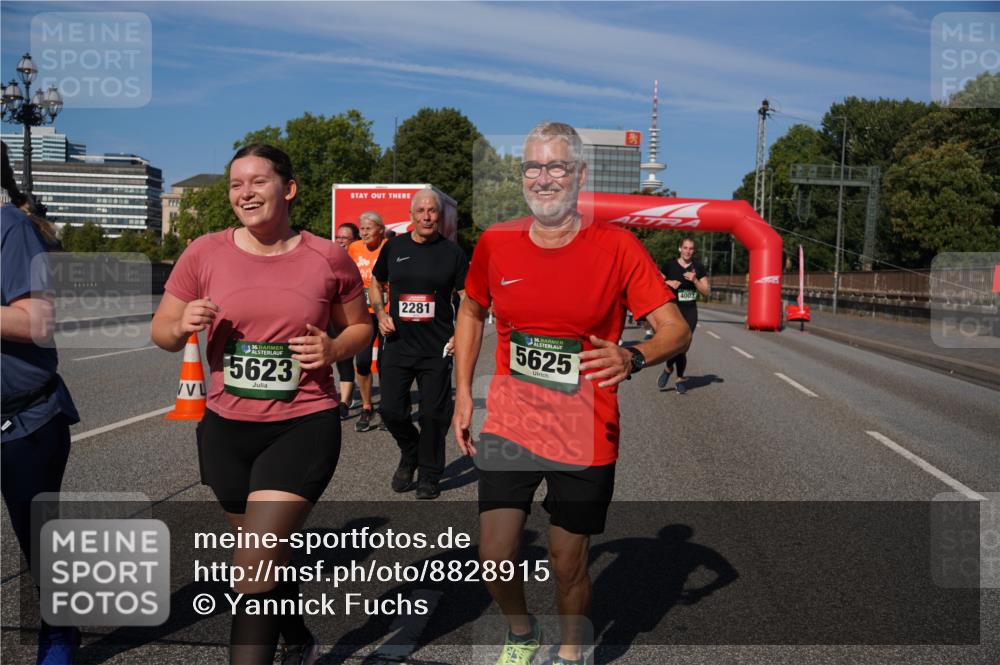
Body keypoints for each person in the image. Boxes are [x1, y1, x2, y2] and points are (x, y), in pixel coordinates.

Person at [452, 122, 691, 665]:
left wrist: (633, 356)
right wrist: (463, 394)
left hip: (585, 430)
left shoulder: (617, 245)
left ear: (579, 175)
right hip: (513, 422)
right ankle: (519, 631)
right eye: (533, 167)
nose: (543, 178)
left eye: (556, 166)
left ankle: (572, 649)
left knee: (567, 564)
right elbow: (471, 309)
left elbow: (675, 328)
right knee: (494, 555)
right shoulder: (497, 242)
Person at [151, 144, 371, 665]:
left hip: (302, 424)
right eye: (235, 184)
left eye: (257, 181)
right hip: (226, 427)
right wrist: (180, 327)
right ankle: (297, 637)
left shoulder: (328, 256)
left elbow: (359, 326)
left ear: (288, 189)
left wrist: (335, 348)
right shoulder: (204, 253)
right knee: (264, 557)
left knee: (251, 563)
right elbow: (160, 330)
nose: (244, 193)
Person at [1, 141, 82, 665]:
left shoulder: (9, 224)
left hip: (22, 419)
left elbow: (37, 323)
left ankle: (59, 635)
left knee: (38, 542)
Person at [369, 189, 468, 500]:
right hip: (397, 344)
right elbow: (376, 281)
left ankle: (429, 473)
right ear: (411, 215)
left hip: (436, 348)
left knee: (433, 415)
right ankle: (410, 451)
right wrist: (382, 312)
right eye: (421, 210)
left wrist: (460, 334)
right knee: (391, 411)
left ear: (439, 215)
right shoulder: (394, 247)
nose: (427, 216)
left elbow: (467, 298)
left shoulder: (453, 253)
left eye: (433, 211)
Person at [346, 212, 387, 432]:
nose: (364, 232)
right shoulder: (354, 248)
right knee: (362, 362)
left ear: (381, 229)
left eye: (369, 228)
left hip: (386, 313)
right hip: (363, 312)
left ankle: (389, 408)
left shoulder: (389, 247)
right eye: (361, 228)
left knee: (385, 362)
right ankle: (367, 405)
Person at [656, 237, 709, 394]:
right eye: (685, 248)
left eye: (691, 248)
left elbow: (706, 291)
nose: (688, 251)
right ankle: (677, 376)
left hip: (690, 310)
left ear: (694, 251)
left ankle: (671, 370)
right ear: (680, 249)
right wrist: (668, 283)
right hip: (673, 309)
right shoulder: (669, 265)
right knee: (675, 344)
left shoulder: (698, 268)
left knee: (683, 346)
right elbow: (654, 281)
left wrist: (695, 280)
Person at [334, 222, 361, 418]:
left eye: (346, 238)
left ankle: (344, 401)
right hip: (329, 315)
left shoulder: (359, 260)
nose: (341, 241)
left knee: (346, 359)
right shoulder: (330, 257)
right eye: (339, 237)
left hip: (351, 314)